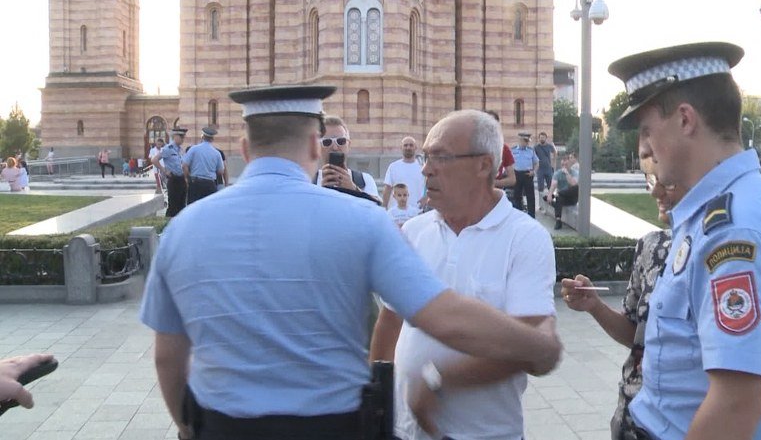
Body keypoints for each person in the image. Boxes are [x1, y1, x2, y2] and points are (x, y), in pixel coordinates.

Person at [140, 85, 561, 440]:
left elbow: (167, 357)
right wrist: (538, 346)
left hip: (222, 426)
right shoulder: (363, 221)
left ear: (245, 148)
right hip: (332, 426)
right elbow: (441, 315)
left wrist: (190, 427)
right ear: (313, 146)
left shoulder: (183, 229)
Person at [608, 41, 761, 440]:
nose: (643, 148)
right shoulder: (715, 211)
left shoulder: (737, 228)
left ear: (684, 120)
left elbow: (735, 405)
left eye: (646, 130)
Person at [370, 109, 558, 440]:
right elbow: (390, 320)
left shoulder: (525, 238)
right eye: (427, 157)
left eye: (440, 157)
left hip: (483, 433)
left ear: (484, 165)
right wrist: (375, 401)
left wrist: (437, 379)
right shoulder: (412, 232)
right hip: (405, 430)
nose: (426, 169)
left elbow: (531, 347)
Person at [560, 158, 684, 440]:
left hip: (683, 421)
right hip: (634, 415)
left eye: (668, 182)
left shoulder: (719, 252)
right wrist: (594, 306)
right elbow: (635, 336)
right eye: (652, 180)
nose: (656, 192)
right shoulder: (651, 246)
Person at [314, 116, 381, 204]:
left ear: (348, 145)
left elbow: (377, 210)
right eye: (327, 142)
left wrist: (353, 189)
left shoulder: (364, 181)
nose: (335, 147)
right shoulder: (309, 182)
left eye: (341, 141)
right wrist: (321, 192)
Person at [182, 126, 224, 205]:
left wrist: (187, 178)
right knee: (209, 209)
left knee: (193, 209)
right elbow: (220, 171)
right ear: (212, 139)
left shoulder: (194, 149)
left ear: (202, 137)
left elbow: (184, 165)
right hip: (210, 184)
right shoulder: (217, 153)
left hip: (195, 183)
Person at [152, 127, 188, 217]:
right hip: (173, 179)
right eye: (181, 136)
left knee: (182, 206)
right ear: (174, 136)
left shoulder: (181, 150)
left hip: (182, 179)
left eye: (183, 137)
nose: (183, 139)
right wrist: (164, 170)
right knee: (173, 206)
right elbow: (154, 159)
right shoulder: (168, 148)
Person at [382, 136, 424, 210]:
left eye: (411, 145)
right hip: (396, 214)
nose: (408, 148)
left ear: (415, 148)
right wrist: (384, 208)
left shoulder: (422, 167)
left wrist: (426, 199)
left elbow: (429, 187)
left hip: (417, 212)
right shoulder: (393, 167)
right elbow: (387, 189)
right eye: (405, 145)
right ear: (401, 148)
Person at [484, 110, 517, 191]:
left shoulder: (504, 148)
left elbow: (512, 179)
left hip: (495, 195)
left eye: (493, 123)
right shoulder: (473, 147)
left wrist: (493, 183)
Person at [545, 153, 579, 230]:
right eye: (563, 164)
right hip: (562, 198)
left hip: (572, 198)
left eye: (566, 164)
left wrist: (567, 173)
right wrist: (550, 194)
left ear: (570, 164)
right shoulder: (557, 173)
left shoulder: (575, 172)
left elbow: (573, 184)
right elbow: (553, 184)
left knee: (577, 187)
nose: (564, 166)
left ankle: (558, 194)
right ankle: (558, 221)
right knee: (559, 198)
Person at [510, 132, 539, 217]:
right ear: (520, 140)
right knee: (517, 196)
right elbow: (509, 163)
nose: (527, 143)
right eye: (525, 141)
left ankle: (532, 216)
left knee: (530, 196)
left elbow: (537, 163)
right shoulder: (513, 150)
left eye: (527, 141)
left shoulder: (531, 151)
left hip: (528, 174)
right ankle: (518, 215)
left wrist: (534, 172)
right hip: (517, 174)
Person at [534, 132, 557, 211]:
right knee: (540, 187)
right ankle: (541, 205)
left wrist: (553, 164)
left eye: (543, 137)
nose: (542, 138)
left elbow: (555, 153)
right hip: (540, 170)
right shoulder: (536, 147)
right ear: (539, 138)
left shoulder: (549, 146)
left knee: (551, 186)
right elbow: (533, 157)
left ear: (546, 138)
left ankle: (551, 202)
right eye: (541, 137)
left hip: (548, 169)